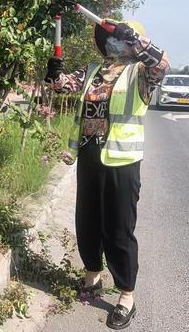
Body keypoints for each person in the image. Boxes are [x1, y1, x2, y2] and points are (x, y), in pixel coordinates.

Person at [45, 20, 169, 330]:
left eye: (119, 37)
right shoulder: (91, 70)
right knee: (87, 219)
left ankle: (126, 294)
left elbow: (162, 66)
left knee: (118, 226)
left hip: (121, 160)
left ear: (130, 41)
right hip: (90, 154)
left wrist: (140, 43)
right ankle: (93, 277)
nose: (113, 42)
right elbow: (61, 86)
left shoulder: (140, 72)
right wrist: (54, 74)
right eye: (111, 37)